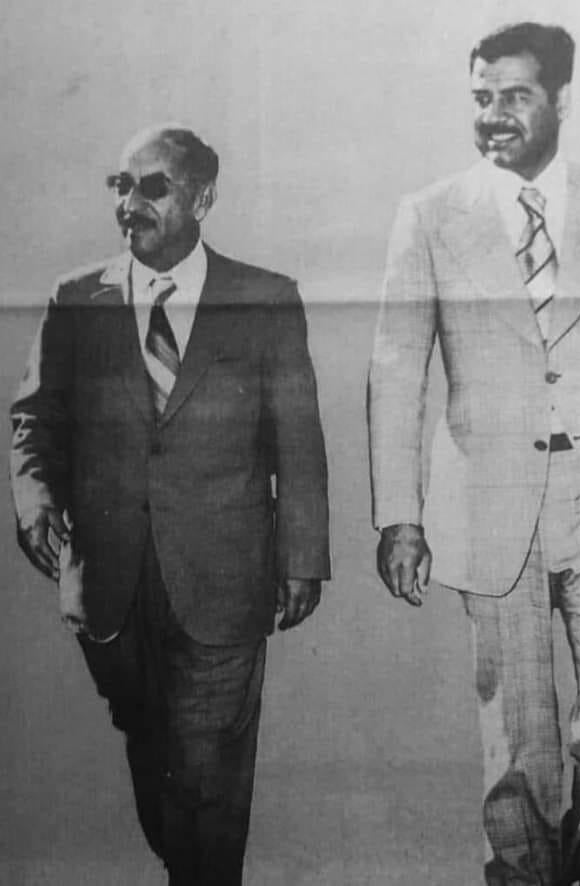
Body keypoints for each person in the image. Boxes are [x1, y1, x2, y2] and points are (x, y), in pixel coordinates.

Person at [368, 21, 580, 886]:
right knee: (518, 755)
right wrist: (400, 516)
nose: (494, 116)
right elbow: (397, 370)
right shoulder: (430, 216)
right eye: (481, 98)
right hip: (489, 505)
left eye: (515, 96)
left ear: (562, 100)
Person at [10, 124, 330, 885]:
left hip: (224, 576)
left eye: (153, 188)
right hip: (111, 580)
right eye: (121, 186)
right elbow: (35, 417)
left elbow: (298, 438)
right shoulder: (76, 297)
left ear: (203, 198)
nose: (130, 204)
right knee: (155, 759)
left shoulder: (264, 298)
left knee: (208, 768)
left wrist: (303, 558)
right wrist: (34, 499)